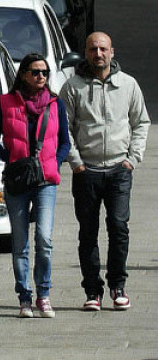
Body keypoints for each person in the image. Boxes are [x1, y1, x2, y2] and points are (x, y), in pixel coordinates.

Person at [59, 32, 150, 312]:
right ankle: (92, 291)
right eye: (92, 49)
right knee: (88, 232)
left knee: (119, 228)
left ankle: (118, 285)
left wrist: (132, 159)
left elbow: (141, 122)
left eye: (102, 49)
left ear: (112, 52)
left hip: (119, 170)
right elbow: (64, 128)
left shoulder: (128, 85)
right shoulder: (72, 87)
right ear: (85, 53)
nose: (98, 54)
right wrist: (76, 162)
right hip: (87, 172)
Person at [0, 53, 70, 318]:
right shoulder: (6, 103)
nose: (41, 76)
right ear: (23, 74)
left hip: (46, 180)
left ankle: (44, 294)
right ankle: (25, 297)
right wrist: (11, 160)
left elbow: (65, 142)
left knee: (44, 239)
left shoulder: (56, 105)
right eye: (35, 72)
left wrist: (53, 164)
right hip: (18, 180)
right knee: (20, 242)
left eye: (44, 72)